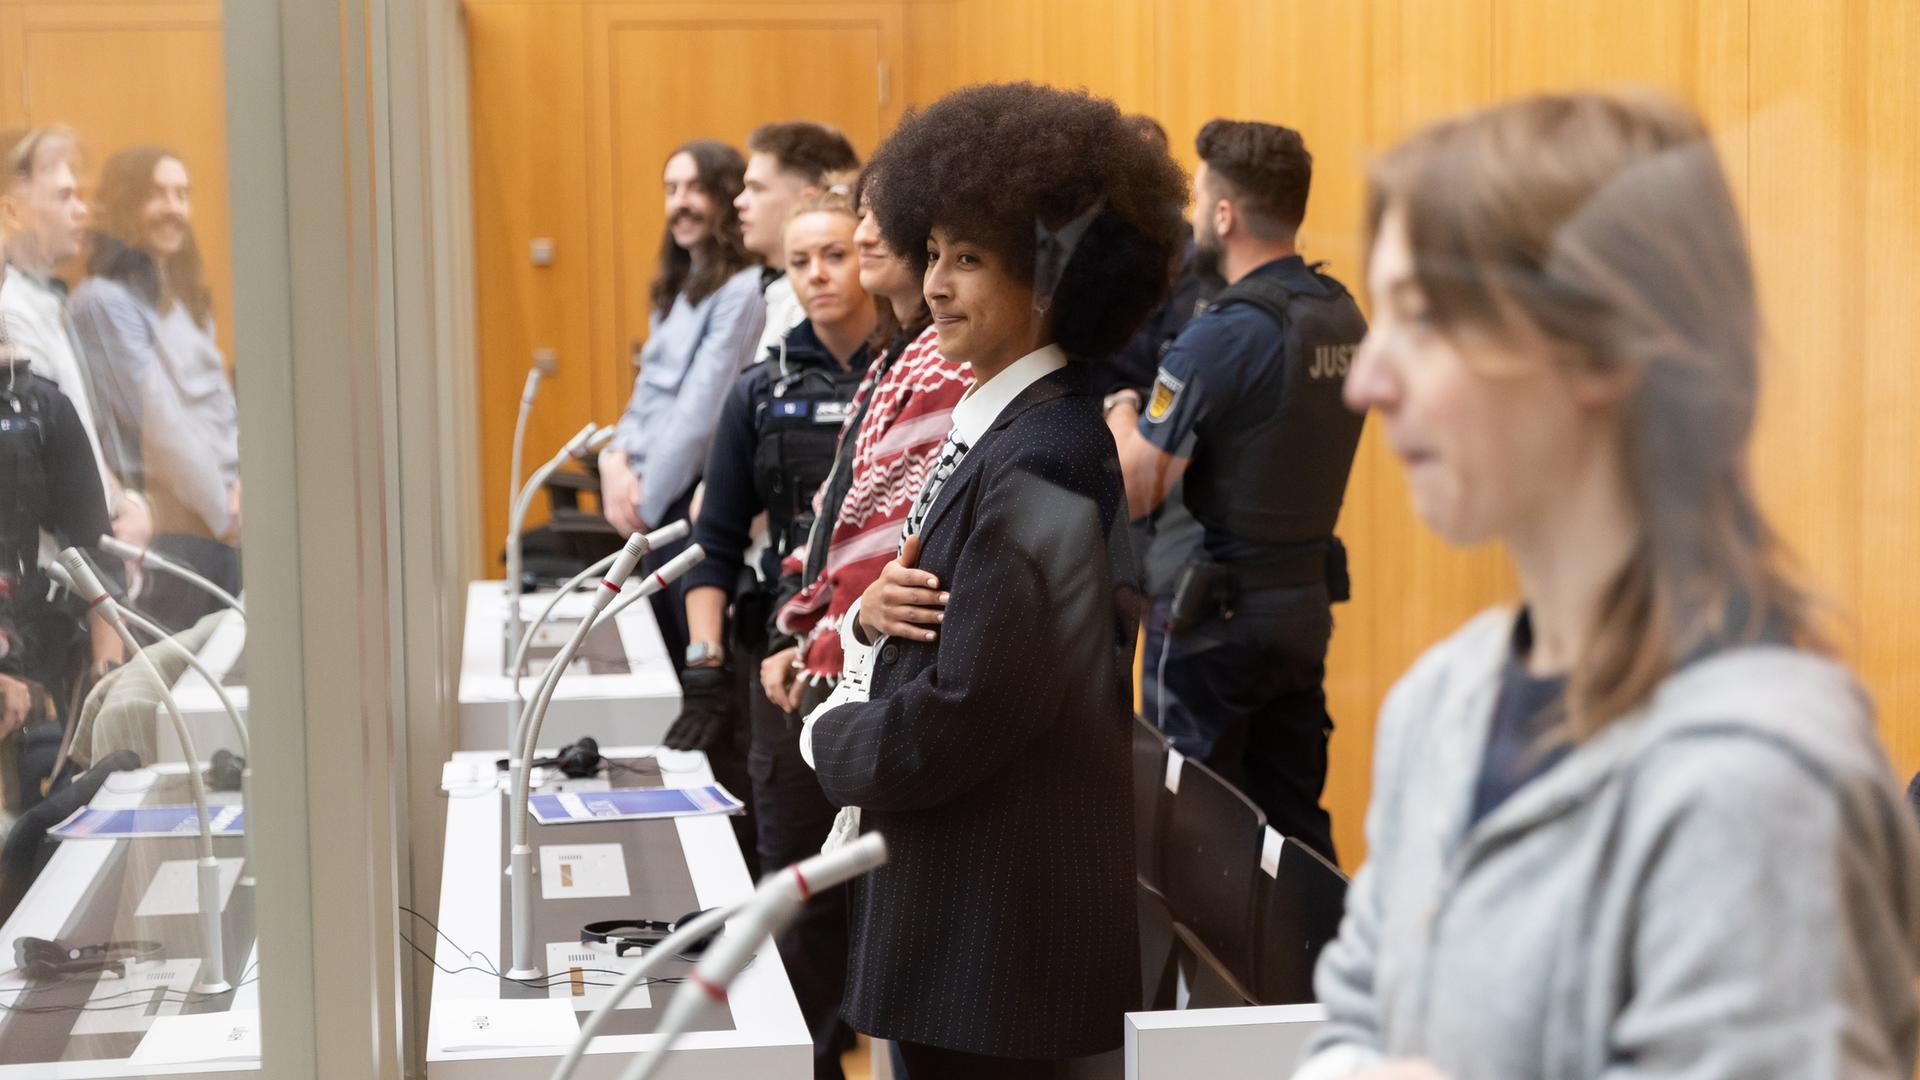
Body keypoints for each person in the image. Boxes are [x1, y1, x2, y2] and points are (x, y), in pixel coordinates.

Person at [1294, 91, 1920, 1080]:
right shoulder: (1440, 704)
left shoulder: (1754, 787)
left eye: (1421, 316)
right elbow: (1350, 1024)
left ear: (1596, 346)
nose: (1367, 382)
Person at [803, 82, 1187, 1077]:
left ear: (1052, 285)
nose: (933, 284)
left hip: (994, 954)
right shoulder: (1009, 428)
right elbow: (944, 639)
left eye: (969, 259)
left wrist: (826, 733)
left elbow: (965, 715)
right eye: (932, 251)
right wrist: (863, 634)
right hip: (967, 934)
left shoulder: (1045, 457)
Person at [1105, 119, 1367, 862]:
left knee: (1192, 841)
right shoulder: (1341, 314)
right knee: (1295, 837)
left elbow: (1137, 488)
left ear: (1225, 214)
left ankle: (1215, 988)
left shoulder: (1221, 333)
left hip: (1210, 624)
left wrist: (1121, 407)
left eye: (1200, 206)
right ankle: (1322, 978)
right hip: (1300, 607)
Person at [669, 176, 872, 1080]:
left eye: (837, 256)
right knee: (792, 883)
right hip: (783, 661)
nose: (821, 276)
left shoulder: (921, 377)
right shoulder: (762, 389)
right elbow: (713, 545)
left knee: (886, 888)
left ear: (871, 259)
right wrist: (706, 662)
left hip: (887, 662)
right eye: (801, 263)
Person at [763, 167, 972, 717]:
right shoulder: (893, 358)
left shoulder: (946, 365)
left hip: (885, 662)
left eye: (884, 218)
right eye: (861, 217)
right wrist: (798, 629)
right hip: (840, 638)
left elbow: (898, 542)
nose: (864, 236)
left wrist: (829, 635)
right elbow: (834, 513)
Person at [599, 139, 766, 670]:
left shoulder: (742, 290)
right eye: (671, 189)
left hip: (679, 505)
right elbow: (648, 392)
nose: (681, 202)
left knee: (678, 671)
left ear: (725, 196)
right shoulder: (679, 288)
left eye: (695, 188)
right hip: (646, 499)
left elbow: (700, 415)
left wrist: (641, 507)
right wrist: (615, 459)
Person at [70, 146, 240, 631]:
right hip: (170, 534)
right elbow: (159, 425)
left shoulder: (176, 298)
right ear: (127, 205)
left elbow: (215, 407)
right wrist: (224, 512)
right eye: (158, 194)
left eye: (182, 194)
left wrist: (242, 487)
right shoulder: (103, 301)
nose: (174, 207)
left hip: (212, 525)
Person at [734, 122, 860, 359]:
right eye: (800, 262)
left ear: (808, 201)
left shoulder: (828, 305)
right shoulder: (777, 290)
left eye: (756, 189)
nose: (739, 202)